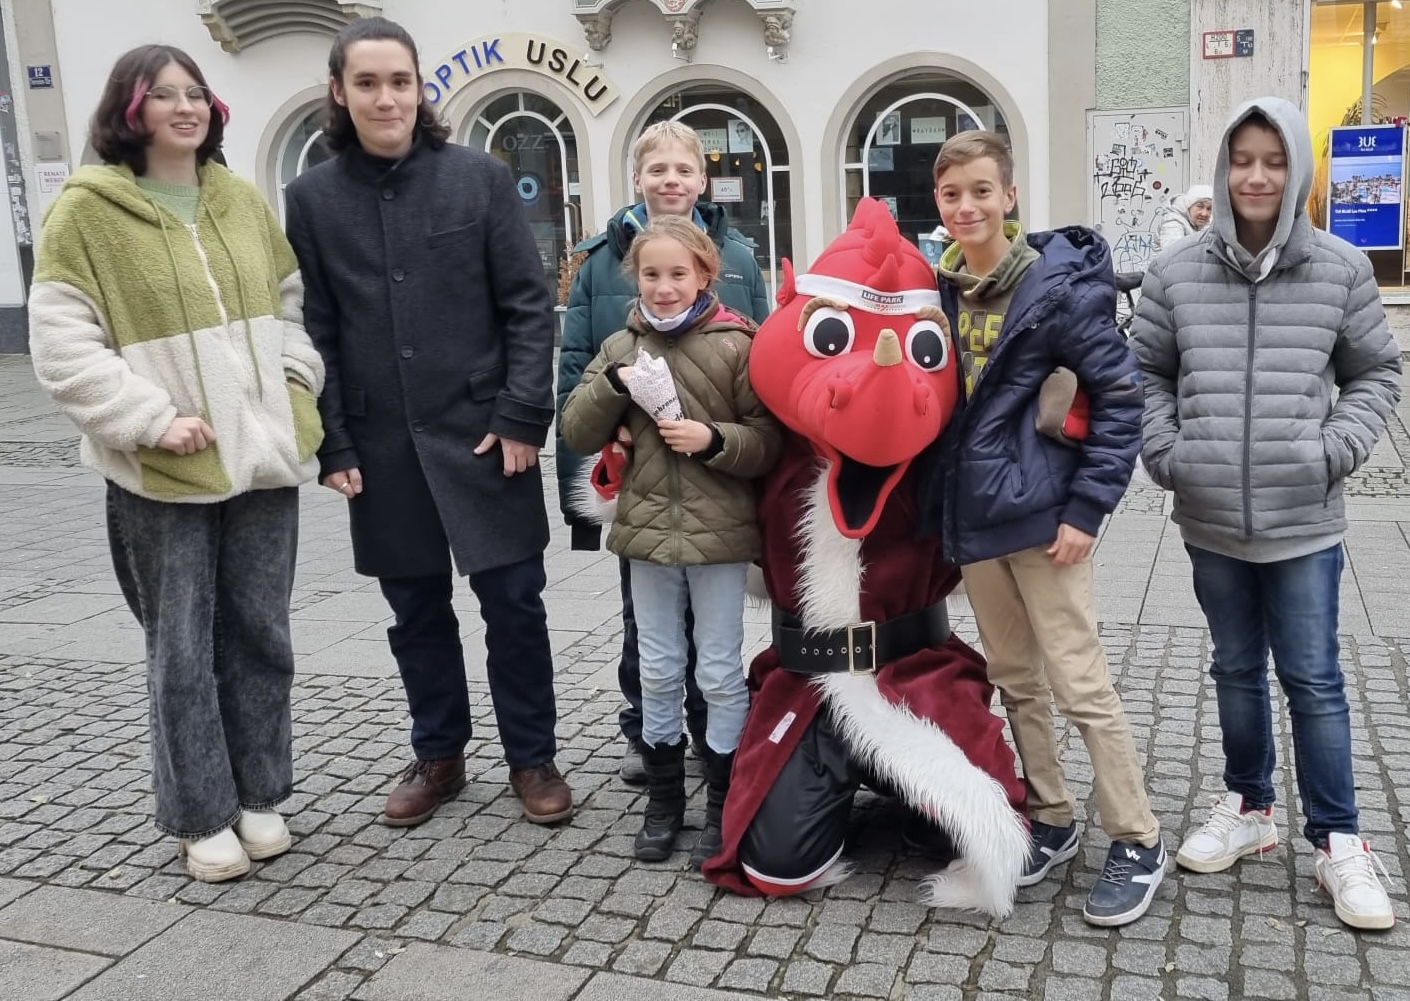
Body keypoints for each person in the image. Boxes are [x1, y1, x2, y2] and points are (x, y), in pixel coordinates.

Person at [28, 44, 324, 881]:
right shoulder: (85, 214)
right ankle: (200, 812)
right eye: (163, 95)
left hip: (260, 461)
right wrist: (150, 419)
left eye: (195, 92)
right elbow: (61, 346)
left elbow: (291, 307)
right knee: (182, 647)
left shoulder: (239, 199)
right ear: (130, 110)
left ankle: (260, 792)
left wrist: (295, 391)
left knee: (262, 633)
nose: (185, 106)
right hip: (163, 472)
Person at [283, 17, 571, 828]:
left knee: (515, 603)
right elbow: (316, 330)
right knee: (415, 612)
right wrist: (333, 441)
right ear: (339, 92)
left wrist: (522, 417)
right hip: (381, 443)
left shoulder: (478, 178)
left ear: (420, 88)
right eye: (368, 83)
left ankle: (533, 755)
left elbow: (527, 307)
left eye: (400, 82)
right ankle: (438, 753)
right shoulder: (310, 199)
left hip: (487, 434)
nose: (387, 98)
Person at [1131, 98, 1401, 931]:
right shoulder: (1176, 272)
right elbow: (1144, 373)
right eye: (1243, 159)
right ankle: (1249, 806)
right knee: (1235, 668)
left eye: (1274, 161)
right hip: (1210, 515)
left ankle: (1340, 837)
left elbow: (1376, 374)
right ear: (1223, 168)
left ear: (1298, 172)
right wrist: (1170, 453)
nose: (1256, 176)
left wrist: (1331, 450)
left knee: (1313, 677)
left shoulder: (1342, 269)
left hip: (1304, 520)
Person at [929, 130, 1166, 927]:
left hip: (1045, 522)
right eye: (952, 193)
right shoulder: (939, 291)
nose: (967, 206)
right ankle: (1052, 816)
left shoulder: (1054, 291)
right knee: (1016, 678)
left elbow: (1122, 401)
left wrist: (1087, 510)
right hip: (977, 524)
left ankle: (1137, 837)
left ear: (1009, 196)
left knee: (1079, 683)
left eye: (981, 191)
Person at [561, 215, 780, 867]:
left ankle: (722, 803)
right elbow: (575, 430)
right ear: (636, 277)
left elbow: (769, 441)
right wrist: (613, 386)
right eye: (651, 274)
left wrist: (713, 439)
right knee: (656, 669)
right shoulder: (621, 345)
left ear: (704, 275)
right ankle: (663, 803)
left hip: (720, 536)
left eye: (678, 273)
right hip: (647, 535)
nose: (664, 287)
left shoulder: (738, 344)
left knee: (718, 671)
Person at [1157, 184, 1213, 251]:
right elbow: (1174, 252)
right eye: (1200, 206)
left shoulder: (1206, 223)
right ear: (1189, 206)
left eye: (1209, 208)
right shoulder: (1173, 222)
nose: (1204, 214)